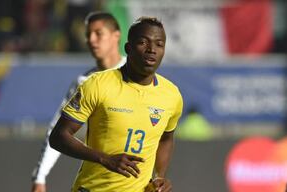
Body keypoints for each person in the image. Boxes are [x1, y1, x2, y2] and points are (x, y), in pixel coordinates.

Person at [49, 16, 183, 192]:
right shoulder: (97, 84)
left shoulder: (171, 95)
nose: (152, 50)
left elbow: (166, 138)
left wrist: (159, 176)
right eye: (143, 42)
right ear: (128, 48)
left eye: (159, 44)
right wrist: (104, 158)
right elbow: (58, 136)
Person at [31, 11, 126, 192]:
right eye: (88, 34)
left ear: (116, 36)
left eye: (98, 33)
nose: (91, 39)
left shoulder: (138, 75)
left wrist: (158, 176)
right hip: (97, 180)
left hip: (133, 180)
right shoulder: (84, 82)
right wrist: (40, 176)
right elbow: (57, 130)